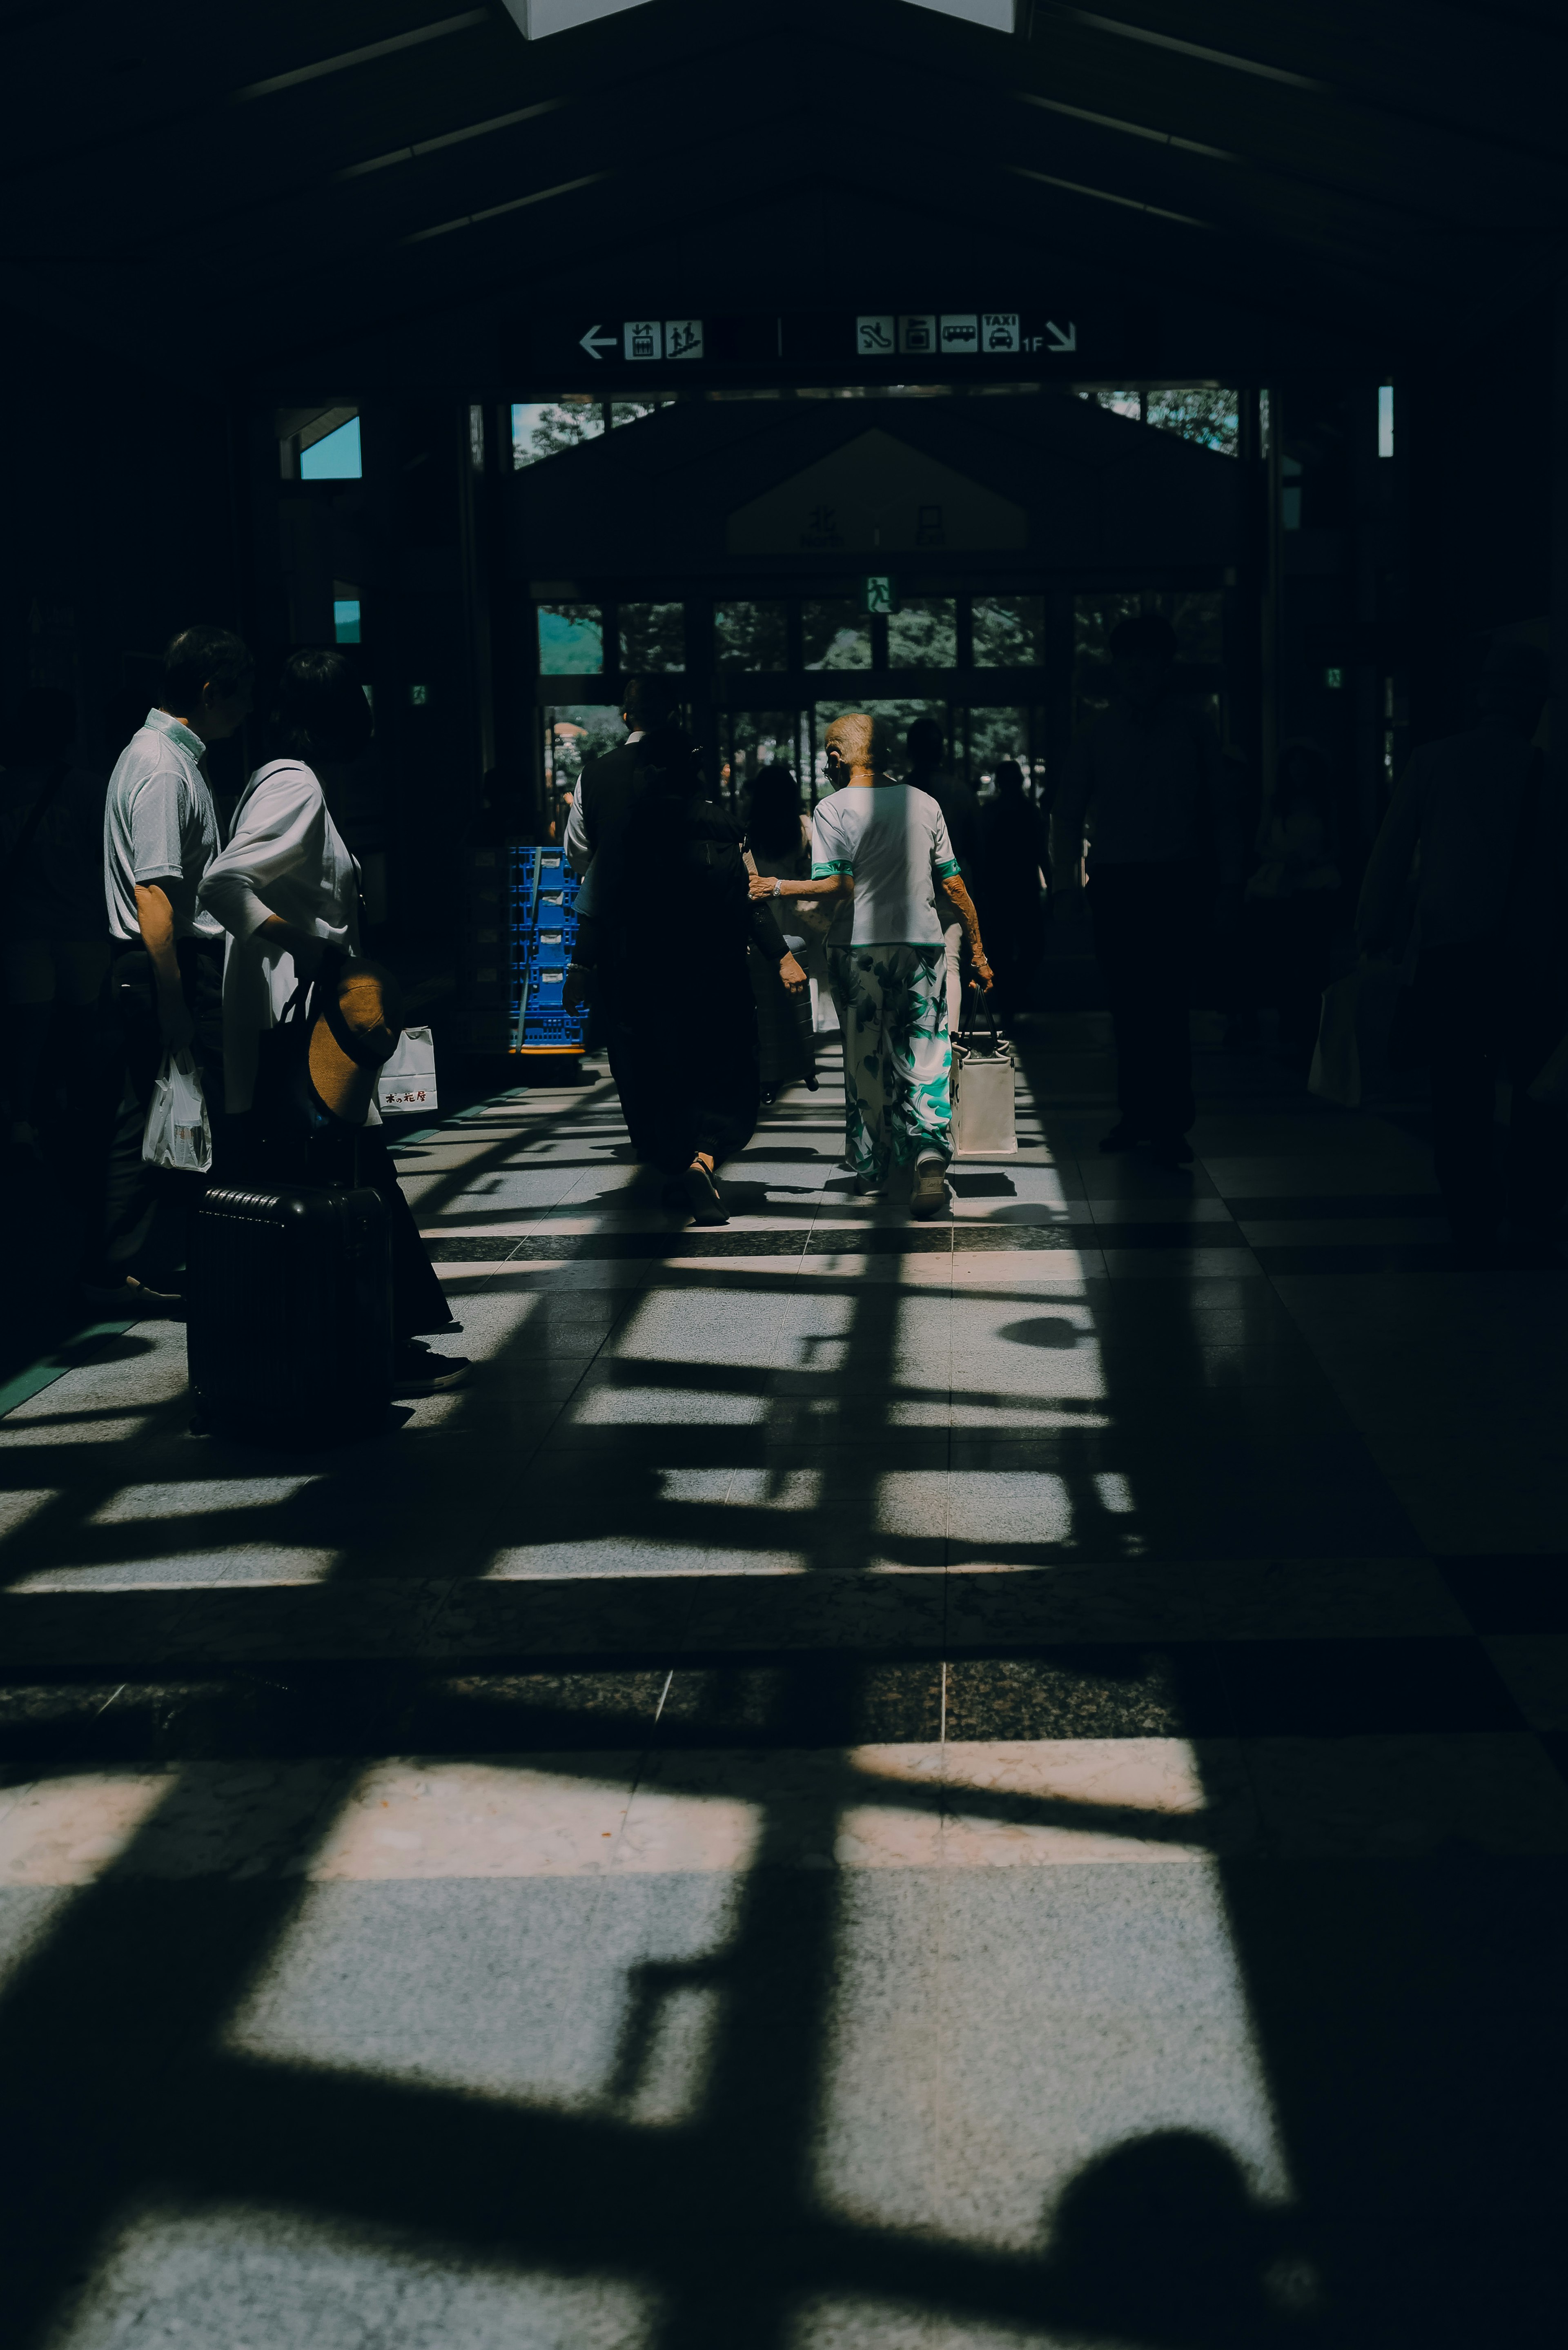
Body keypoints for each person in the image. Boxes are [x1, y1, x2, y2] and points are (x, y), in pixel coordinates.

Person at [198, 649, 469, 1391]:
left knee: (349, 1177)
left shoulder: (274, 777)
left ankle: (378, 1337)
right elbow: (223, 883)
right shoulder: (297, 784)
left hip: (294, 1027)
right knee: (344, 1175)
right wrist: (308, 945)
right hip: (306, 1031)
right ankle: (375, 1343)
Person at [1357, 639, 1567, 1261]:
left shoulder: (1432, 762)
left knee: (1460, 1094)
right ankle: (1532, 1202)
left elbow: (1390, 859)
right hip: (1534, 962)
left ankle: (1471, 1215)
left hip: (1452, 957)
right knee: (1537, 1090)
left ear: (1481, 698)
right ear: (1537, 704)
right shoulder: (1553, 774)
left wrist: (1371, 933)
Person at [565, 717, 806, 1223]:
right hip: (716, 973)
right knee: (724, 1067)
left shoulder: (629, 827)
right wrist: (780, 956)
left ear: (653, 771)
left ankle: (679, 1164)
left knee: (655, 1071)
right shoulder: (723, 825)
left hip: (645, 977)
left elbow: (597, 905)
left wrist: (581, 966)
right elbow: (751, 900)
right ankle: (705, 1157)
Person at [757, 712, 992, 1219]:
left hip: (857, 949)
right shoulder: (923, 803)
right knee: (926, 1051)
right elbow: (954, 886)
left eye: (827, 756)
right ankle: (929, 1157)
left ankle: (871, 1168)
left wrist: (777, 886)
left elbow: (837, 884)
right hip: (922, 947)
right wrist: (977, 950)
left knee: (865, 1056)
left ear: (837, 757)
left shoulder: (832, 807)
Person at [85, 625, 252, 1310]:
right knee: (165, 1109)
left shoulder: (164, 755)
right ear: (211, 693)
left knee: (155, 1109)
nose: (244, 717)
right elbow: (154, 895)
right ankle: (133, 1264)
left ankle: (138, 1261)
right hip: (166, 959)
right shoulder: (161, 765)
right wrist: (175, 999)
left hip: (158, 960)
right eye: (239, 701)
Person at [1050, 613, 1227, 1167]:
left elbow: (1222, 808)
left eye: (1148, 657)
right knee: (1128, 1005)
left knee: (1170, 1004)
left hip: (1178, 878)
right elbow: (1067, 812)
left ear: (1166, 665)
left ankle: (1169, 1120)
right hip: (1121, 880)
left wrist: (1230, 882)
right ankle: (1138, 1113)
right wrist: (1065, 885)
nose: (1138, 667)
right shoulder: (1096, 731)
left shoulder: (1195, 727)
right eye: (1129, 658)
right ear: (1116, 666)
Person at [0, 688, 109, 1159]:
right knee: (86, 1026)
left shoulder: (5, 790)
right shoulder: (87, 788)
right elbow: (106, 861)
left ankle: (22, 1121)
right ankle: (89, 1115)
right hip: (81, 924)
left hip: (21, 928)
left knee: (27, 1030)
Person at [1242, 739, 1341, 1066]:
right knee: (1286, 961)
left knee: (1314, 962)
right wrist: (1287, 859)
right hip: (1284, 889)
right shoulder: (1276, 804)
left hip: (1316, 888)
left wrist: (1313, 862)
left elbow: (1339, 845)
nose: (1298, 771)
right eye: (1293, 765)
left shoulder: (1326, 804)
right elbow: (1260, 845)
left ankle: (1310, 1030)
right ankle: (1293, 1028)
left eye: (1303, 764)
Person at [742, 762, 823, 1099]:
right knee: (802, 990)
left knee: (764, 995)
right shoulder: (803, 826)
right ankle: (803, 1060)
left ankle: (771, 1066)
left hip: (761, 919)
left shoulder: (748, 829)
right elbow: (817, 873)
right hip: (797, 915)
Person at [904, 717, 980, 1033]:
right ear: (943, 751)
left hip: (911, 891)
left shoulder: (902, 792)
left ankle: (918, 1035)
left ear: (910, 751)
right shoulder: (961, 791)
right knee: (951, 964)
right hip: (953, 888)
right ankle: (951, 1037)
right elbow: (977, 847)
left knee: (913, 966)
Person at [564, 675, 677, 879]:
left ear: (626, 718)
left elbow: (577, 853)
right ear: (673, 718)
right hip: (682, 900)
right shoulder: (688, 765)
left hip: (611, 901)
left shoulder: (591, 774)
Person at [977, 759, 1048, 1026]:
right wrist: (1052, 886)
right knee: (1032, 947)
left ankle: (1009, 997)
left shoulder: (991, 813)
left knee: (1003, 949)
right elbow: (1041, 852)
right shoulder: (1030, 812)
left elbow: (981, 854)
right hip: (1024, 889)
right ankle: (1014, 994)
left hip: (999, 890)